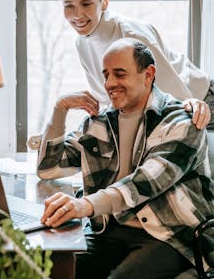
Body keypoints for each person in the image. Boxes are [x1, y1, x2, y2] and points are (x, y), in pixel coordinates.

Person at [38, 38, 214, 279]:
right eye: (106, 74)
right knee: (54, 269)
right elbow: (49, 168)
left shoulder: (183, 121)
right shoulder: (99, 123)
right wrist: (59, 110)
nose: (110, 83)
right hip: (109, 228)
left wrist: (86, 205)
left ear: (148, 74)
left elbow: (147, 181)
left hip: (170, 234)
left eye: (119, 74)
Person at [59, 0, 214, 129]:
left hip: (200, 99)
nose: (77, 15)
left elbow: (173, 92)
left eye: (86, 4)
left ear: (104, 2)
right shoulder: (81, 42)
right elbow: (106, 98)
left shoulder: (132, 35)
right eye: (69, 6)